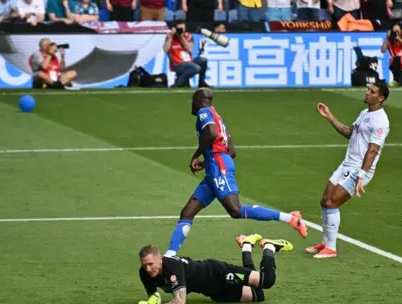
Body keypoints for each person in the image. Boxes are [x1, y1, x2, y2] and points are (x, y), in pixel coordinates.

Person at [163, 88, 307, 258]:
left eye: (193, 99)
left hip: (218, 165)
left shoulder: (204, 112)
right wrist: (207, 160)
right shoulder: (219, 118)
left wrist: (196, 156)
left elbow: (210, 133)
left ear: (200, 99)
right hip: (215, 166)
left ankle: (291, 219)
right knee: (187, 212)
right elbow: (232, 150)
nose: (191, 103)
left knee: (235, 210)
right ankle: (170, 254)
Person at [306, 82, 390, 259]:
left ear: (381, 98)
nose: (367, 93)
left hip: (358, 169)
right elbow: (349, 132)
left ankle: (332, 248)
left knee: (332, 203)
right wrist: (329, 116)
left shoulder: (381, 120)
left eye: (372, 91)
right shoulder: (364, 113)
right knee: (324, 201)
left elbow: (373, 150)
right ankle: (325, 242)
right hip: (346, 164)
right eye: (368, 89)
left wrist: (361, 175)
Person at [136, 235, 293, 304]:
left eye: (151, 264)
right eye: (145, 265)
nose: (148, 269)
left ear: (160, 259)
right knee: (258, 296)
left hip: (219, 273)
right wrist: (151, 300)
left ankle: (269, 247)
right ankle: (246, 244)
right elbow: (153, 295)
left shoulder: (172, 267)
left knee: (267, 281)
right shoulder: (144, 273)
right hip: (214, 292)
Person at [164, 22, 209, 88]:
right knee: (196, 68)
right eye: (180, 29)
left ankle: (201, 82)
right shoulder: (170, 37)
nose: (182, 30)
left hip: (189, 61)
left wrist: (181, 37)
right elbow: (166, 50)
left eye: (183, 28)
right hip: (177, 63)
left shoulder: (188, 36)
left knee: (203, 60)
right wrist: (171, 36)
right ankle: (178, 83)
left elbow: (190, 49)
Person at [381, 22, 402, 87]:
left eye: (397, 31)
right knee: (395, 59)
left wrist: (400, 40)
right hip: (396, 63)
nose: (396, 33)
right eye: (394, 31)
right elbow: (383, 50)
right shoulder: (390, 41)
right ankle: (396, 80)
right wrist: (387, 38)